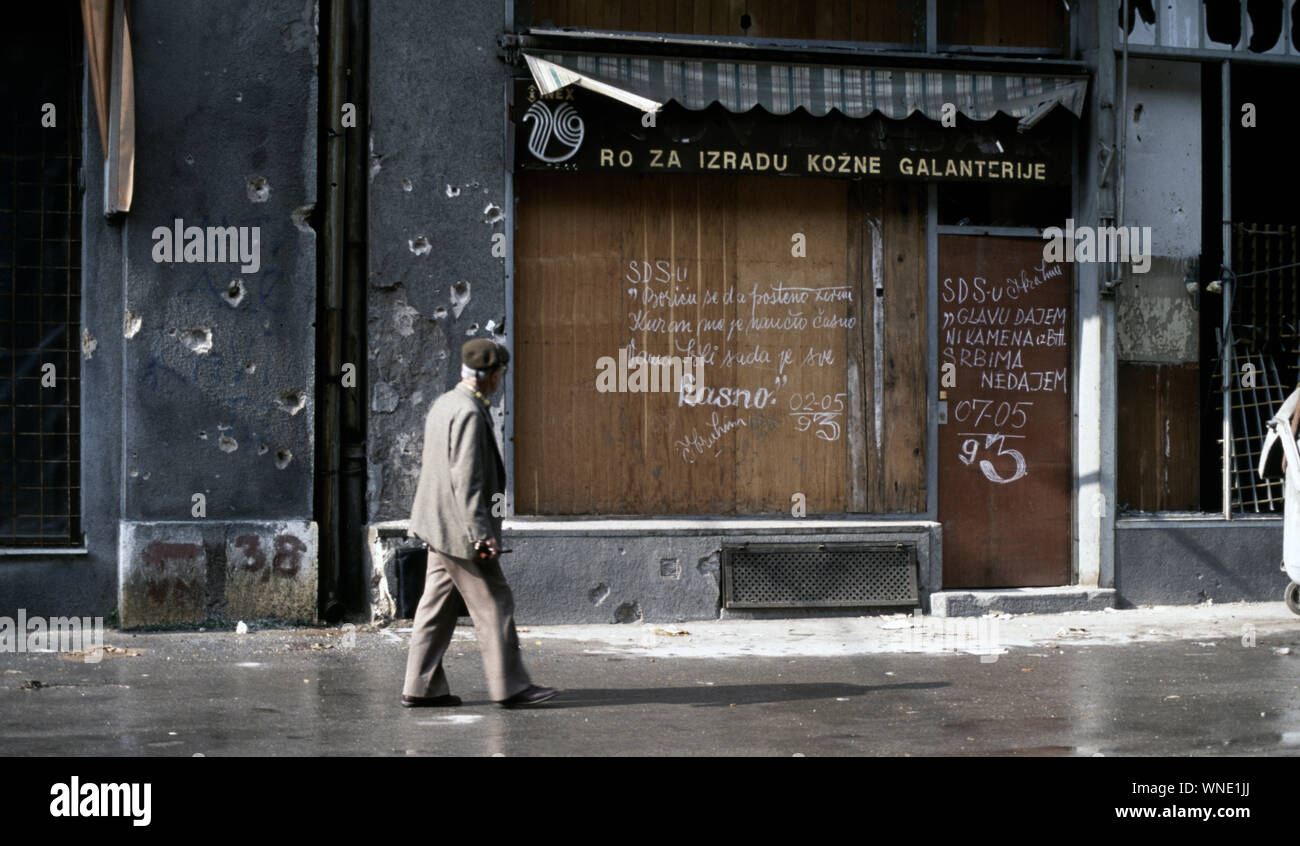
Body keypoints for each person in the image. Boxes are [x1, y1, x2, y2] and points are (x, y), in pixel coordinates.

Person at [401, 339, 557, 708]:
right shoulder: (470, 412)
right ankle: (511, 688)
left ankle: (420, 687)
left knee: (435, 606)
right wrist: (481, 535)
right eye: (501, 373)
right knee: (494, 602)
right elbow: (466, 480)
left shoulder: (445, 403)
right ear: (489, 375)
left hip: (436, 523)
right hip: (458, 529)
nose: (502, 380)